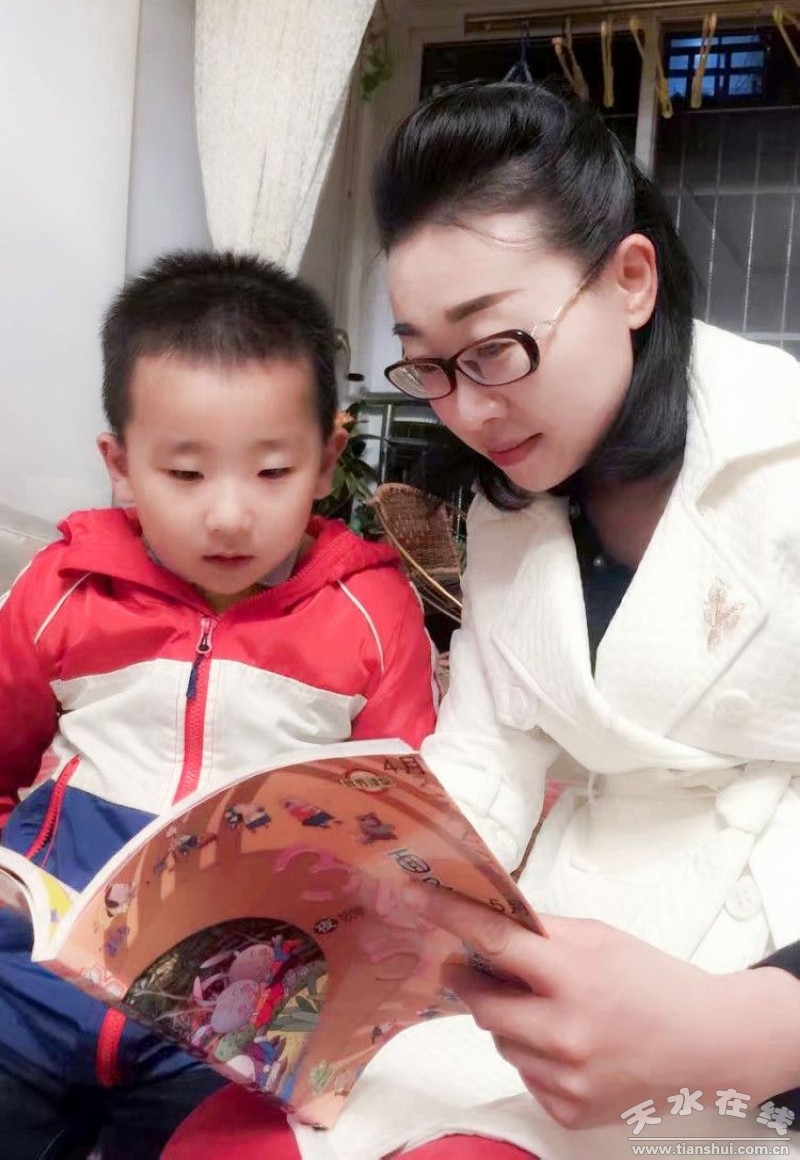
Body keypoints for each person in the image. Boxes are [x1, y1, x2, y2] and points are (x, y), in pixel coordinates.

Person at [166, 82, 800, 1159]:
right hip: (561, 944)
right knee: (231, 1139)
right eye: (428, 364)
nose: (465, 407)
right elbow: (487, 758)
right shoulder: (514, 503)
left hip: (758, 978)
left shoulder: (776, 452)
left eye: (495, 347)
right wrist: (337, 913)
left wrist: (747, 1028)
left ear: (630, 280)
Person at [0, 250, 438, 1158]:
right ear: (121, 465)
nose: (229, 517)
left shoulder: (371, 612)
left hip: (227, 1026)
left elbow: (405, 817)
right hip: (28, 986)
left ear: (328, 461)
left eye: (271, 472)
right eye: (187, 474)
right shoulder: (61, 590)